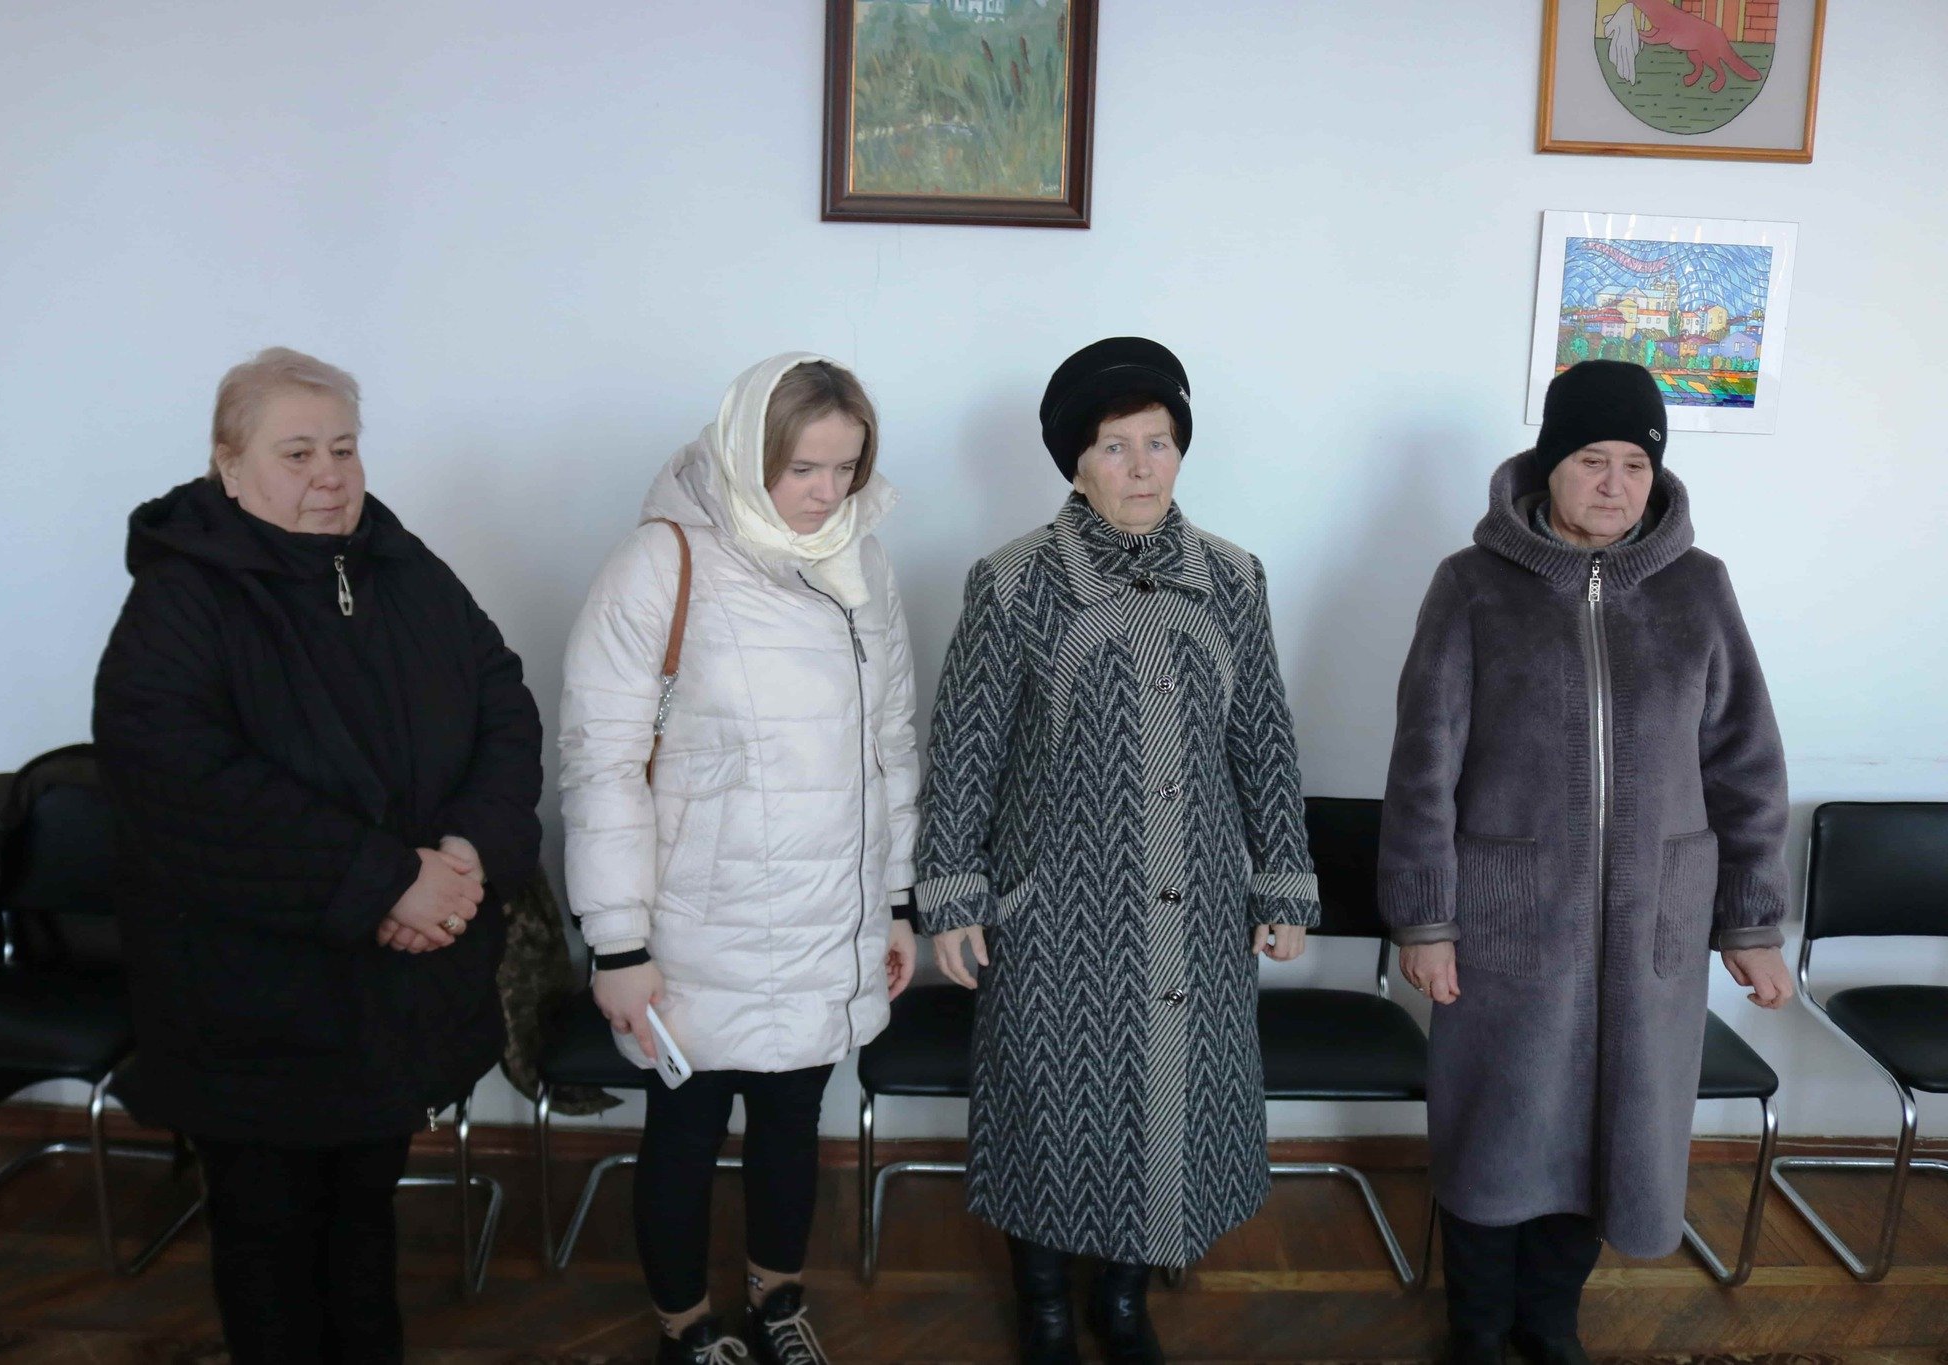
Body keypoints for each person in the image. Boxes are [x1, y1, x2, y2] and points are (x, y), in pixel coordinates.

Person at [93, 347, 543, 1364]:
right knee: (271, 1238)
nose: (330, 475)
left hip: (388, 997)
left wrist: (466, 853)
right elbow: (187, 784)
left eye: (343, 448)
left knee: (364, 1220)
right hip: (253, 1004)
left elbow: (502, 706)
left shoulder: (402, 565)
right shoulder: (182, 598)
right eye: (296, 453)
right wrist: (389, 880)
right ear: (230, 467)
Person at [1379, 360, 1794, 1365]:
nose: (1614, 483)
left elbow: (1744, 763)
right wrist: (1425, 921)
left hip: (1651, 932)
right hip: (1505, 926)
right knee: (1496, 1134)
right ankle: (1478, 1329)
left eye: (1633, 465)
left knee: (1615, 1134)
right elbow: (1423, 767)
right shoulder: (1471, 585)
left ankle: (1550, 1321)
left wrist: (1750, 922)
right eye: (1590, 460)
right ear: (1548, 466)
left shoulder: (1698, 588)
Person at [917, 337, 1318, 1365]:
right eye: (1114, 446)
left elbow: (1263, 738)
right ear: (1076, 461)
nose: (1141, 467)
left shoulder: (1232, 578)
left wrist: (1282, 881)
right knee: (1050, 1111)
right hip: (1056, 911)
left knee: (1172, 1106)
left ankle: (1125, 1300)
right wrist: (953, 896)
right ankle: (1047, 1307)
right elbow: (965, 748)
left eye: (1158, 442)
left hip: (1196, 910)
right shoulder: (1012, 582)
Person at [561, 353, 920, 1365]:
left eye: (845, 468)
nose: (826, 493)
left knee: (792, 1123)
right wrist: (617, 945)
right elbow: (600, 763)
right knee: (685, 1130)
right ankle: (685, 1329)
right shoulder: (661, 561)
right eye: (802, 468)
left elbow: (891, 745)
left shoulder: (861, 562)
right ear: (743, 453)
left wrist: (894, 902)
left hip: (825, 915)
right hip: (694, 926)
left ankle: (776, 1302)